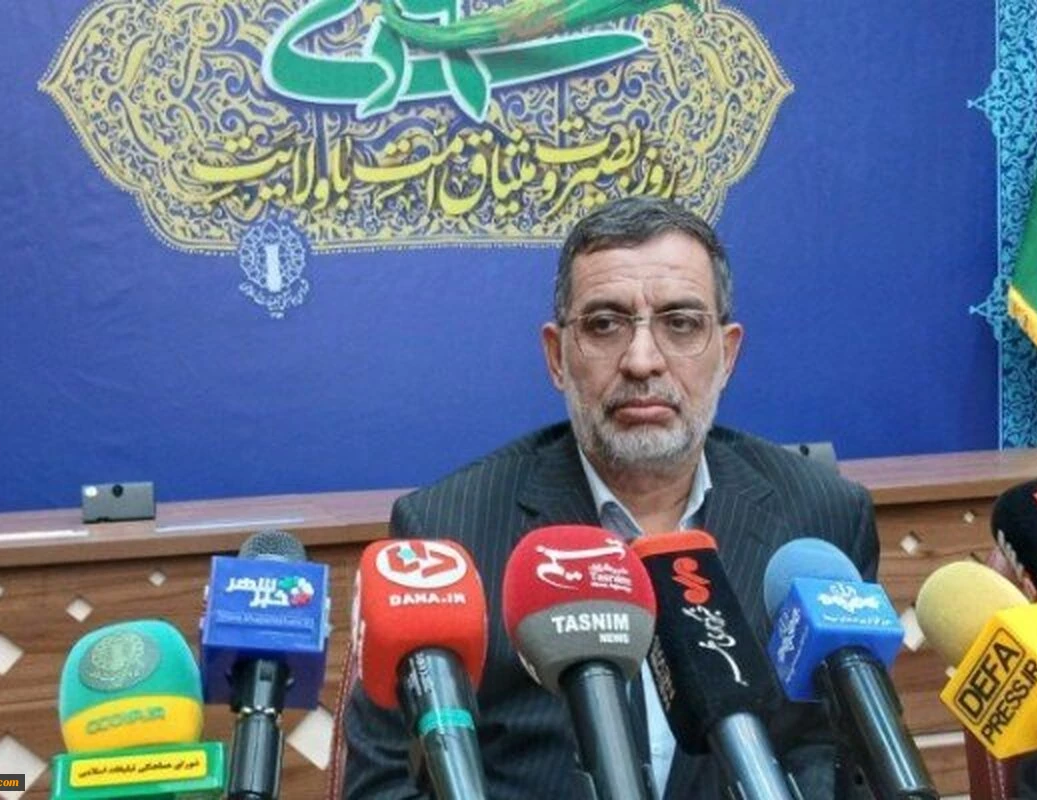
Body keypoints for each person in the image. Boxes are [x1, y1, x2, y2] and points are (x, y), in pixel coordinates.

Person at [340, 195, 881, 799]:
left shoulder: (821, 516)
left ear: (727, 354)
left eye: (680, 323)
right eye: (604, 325)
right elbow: (384, 785)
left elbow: (834, 752)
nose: (642, 361)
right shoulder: (447, 531)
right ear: (556, 356)